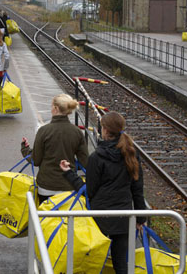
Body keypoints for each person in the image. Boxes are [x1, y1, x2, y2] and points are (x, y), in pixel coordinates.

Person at [60, 111, 146, 274]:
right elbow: (137, 187)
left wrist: (68, 173)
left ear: (105, 130)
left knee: (95, 260)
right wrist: (141, 218)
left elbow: (89, 192)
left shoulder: (97, 157)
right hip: (123, 215)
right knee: (121, 263)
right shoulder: (131, 153)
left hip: (99, 217)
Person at [20, 94, 88, 203]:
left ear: (56, 108)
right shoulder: (77, 132)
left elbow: (35, 160)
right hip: (69, 186)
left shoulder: (44, 131)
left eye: (51, 106)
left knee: (46, 219)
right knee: (66, 220)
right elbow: (85, 162)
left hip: (46, 186)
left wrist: (25, 149)